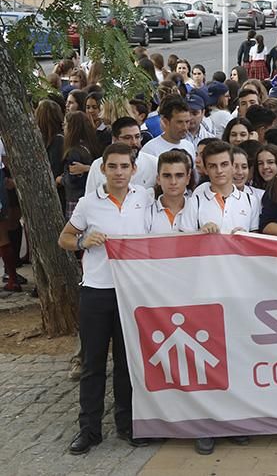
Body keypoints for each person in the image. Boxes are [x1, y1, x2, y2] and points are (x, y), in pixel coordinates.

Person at [58, 143, 154, 455]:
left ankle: (128, 425)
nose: (118, 172)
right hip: (97, 291)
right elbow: (65, 239)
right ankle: (89, 429)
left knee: (127, 364)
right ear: (103, 169)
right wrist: (84, 241)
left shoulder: (145, 198)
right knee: (93, 363)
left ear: (133, 170)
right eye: (112, 167)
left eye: (124, 166)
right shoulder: (89, 203)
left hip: (132, 293)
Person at [140, 96, 197, 164]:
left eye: (187, 122)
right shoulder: (150, 151)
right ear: (165, 122)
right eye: (179, 122)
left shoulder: (189, 146)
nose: (185, 127)